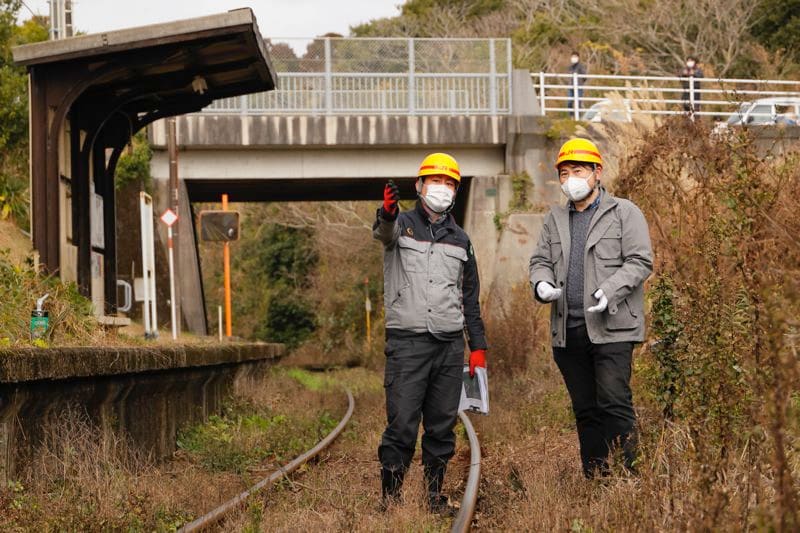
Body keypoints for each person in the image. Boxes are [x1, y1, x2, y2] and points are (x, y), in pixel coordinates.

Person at [529, 138, 653, 478]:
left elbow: (640, 261)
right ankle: (598, 479)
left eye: (579, 170)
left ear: (597, 172)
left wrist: (608, 291)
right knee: (585, 410)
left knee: (613, 402)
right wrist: (540, 284)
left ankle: (631, 476)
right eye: (565, 172)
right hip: (567, 331)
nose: (571, 178)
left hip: (612, 327)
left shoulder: (625, 212)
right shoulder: (554, 219)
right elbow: (540, 261)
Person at [373, 152, 488, 512]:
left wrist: (478, 348)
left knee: (441, 428)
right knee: (402, 426)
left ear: (456, 191)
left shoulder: (461, 239)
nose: (442, 188)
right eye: (435, 181)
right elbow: (383, 232)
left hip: (449, 347)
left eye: (449, 183)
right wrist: (388, 212)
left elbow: (470, 298)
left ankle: (434, 497)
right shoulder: (400, 226)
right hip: (407, 345)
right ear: (419, 186)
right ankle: (390, 502)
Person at [567, 51, 587, 116]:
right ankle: (571, 116)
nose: (573, 58)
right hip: (571, 87)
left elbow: (584, 76)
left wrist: (580, 83)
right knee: (569, 103)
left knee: (578, 103)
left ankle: (578, 117)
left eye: (575, 57)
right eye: (572, 57)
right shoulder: (570, 67)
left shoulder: (581, 66)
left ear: (578, 58)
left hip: (578, 87)